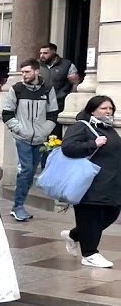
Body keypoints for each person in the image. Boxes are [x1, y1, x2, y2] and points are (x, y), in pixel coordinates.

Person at [60, 95, 121, 268]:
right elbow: (68, 147)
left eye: (110, 108)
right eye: (104, 108)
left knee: (112, 213)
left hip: (110, 183)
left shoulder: (108, 128)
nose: (108, 111)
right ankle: (90, 254)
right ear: (92, 110)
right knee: (90, 217)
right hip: (89, 184)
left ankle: (73, 235)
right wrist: (93, 143)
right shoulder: (82, 126)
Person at [2, 59, 59, 222]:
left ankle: (18, 205)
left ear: (36, 72)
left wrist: (45, 130)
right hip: (23, 138)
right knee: (26, 170)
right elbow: (7, 113)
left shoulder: (48, 89)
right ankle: (18, 206)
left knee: (31, 172)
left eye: (27, 72)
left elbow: (53, 113)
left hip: (40, 138)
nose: (24, 75)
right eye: (22, 72)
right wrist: (19, 129)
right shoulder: (17, 89)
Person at [38, 42, 80, 109]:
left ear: (54, 52)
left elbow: (75, 83)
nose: (42, 56)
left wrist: (69, 98)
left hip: (60, 103)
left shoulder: (67, 65)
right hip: (40, 102)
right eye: (40, 53)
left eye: (45, 53)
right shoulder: (36, 65)